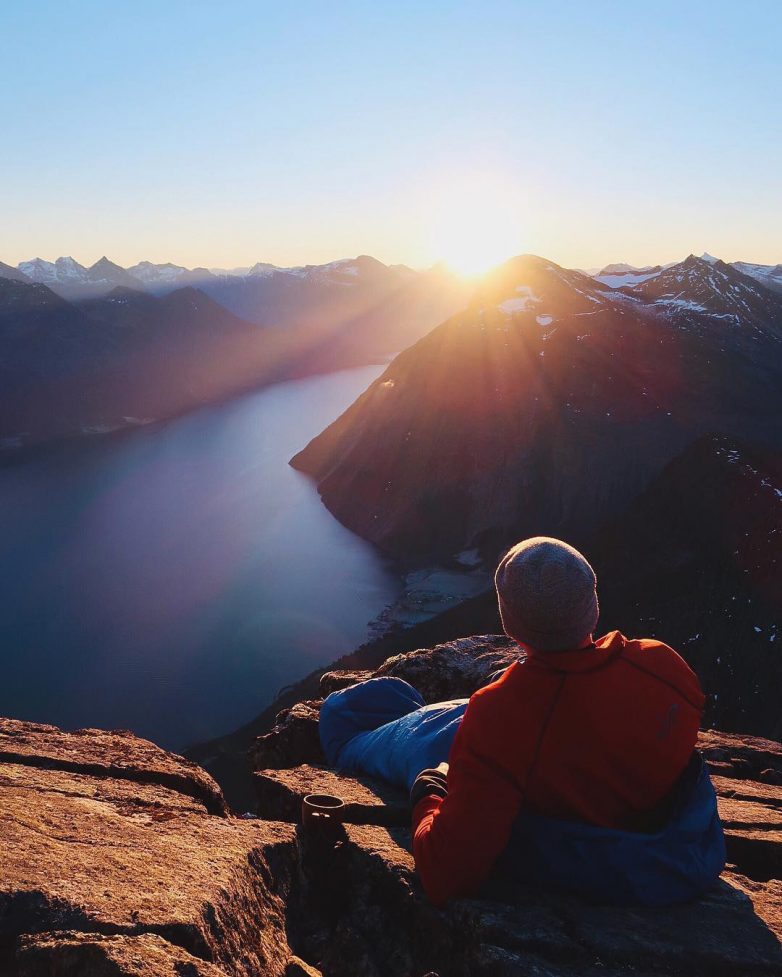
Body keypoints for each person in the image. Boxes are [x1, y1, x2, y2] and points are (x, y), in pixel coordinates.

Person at [318, 536, 725, 908]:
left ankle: (358, 729)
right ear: (592, 604)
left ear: (510, 623)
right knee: (436, 713)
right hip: (653, 834)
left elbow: (446, 874)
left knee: (344, 718)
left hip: (529, 791)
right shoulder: (663, 664)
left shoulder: (504, 713)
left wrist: (429, 794)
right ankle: (402, 710)